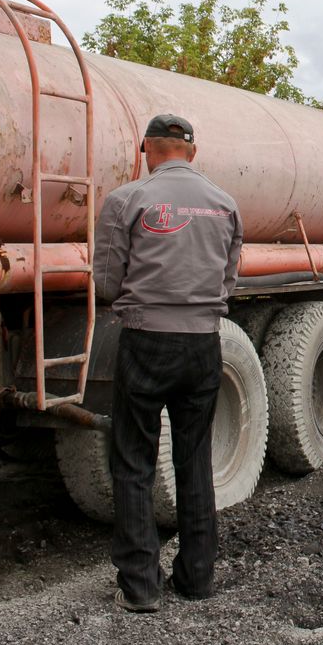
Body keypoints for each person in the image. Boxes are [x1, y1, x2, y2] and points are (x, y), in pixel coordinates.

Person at [93, 114, 243, 614]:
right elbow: (228, 281)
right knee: (193, 458)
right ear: (192, 153)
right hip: (203, 342)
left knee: (133, 461)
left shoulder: (125, 201)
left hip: (146, 341)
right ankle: (197, 579)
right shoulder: (225, 204)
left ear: (146, 150)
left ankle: (140, 587)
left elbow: (108, 284)